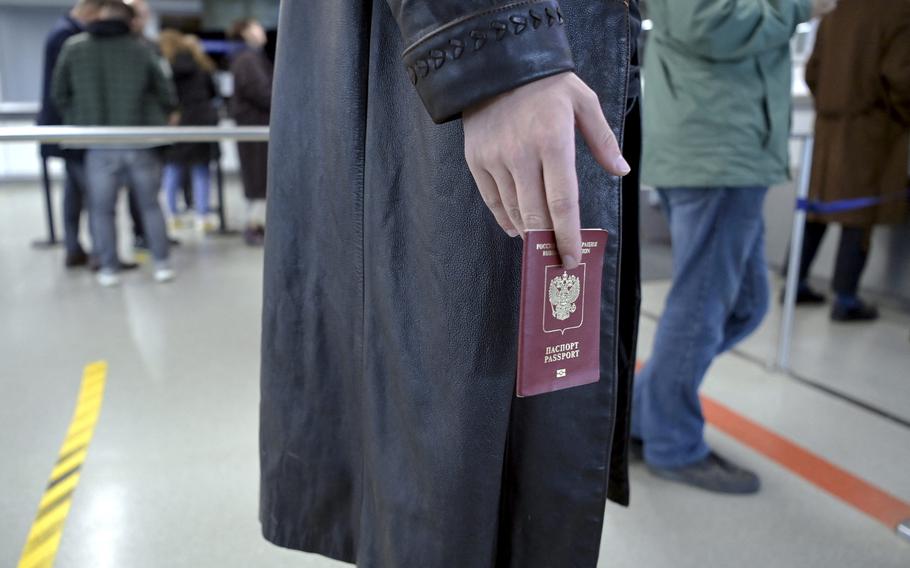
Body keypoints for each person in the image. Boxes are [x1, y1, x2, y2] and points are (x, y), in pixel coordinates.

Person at [259, 1, 640, 566]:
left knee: (477, 482)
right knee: (450, 490)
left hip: (497, 69)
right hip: (482, 80)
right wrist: (503, 57)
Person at [632, 0, 838, 495]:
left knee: (744, 303)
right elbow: (705, 22)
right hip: (715, 149)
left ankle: (645, 413)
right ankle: (671, 442)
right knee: (703, 307)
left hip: (734, 148)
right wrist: (799, 7)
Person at [795, 0, 910, 322]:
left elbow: (812, 70)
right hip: (871, 126)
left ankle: (796, 281)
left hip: (828, 126)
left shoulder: (837, 10)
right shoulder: (898, 10)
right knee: (859, 211)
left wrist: (831, 106)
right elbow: (900, 77)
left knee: (817, 206)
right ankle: (845, 298)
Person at [53, 0, 178, 287]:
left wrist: (80, 119)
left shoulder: (75, 47)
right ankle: (162, 264)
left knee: (101, 209)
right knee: (149, 205)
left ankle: (108, 268)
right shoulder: (141, 49)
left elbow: (59, 94)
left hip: (97, 142)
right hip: (139, 140)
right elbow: (165, 93)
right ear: (129, 20)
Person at [37, 0, 105, 269]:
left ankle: (74, 248)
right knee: (93, 193)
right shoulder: (69, 38)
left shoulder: (62, 32)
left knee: (74, 192)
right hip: (73, 128)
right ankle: (99, 252)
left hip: (68, 128)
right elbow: (66, 90)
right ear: (91, 11)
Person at [159, 30, 221, 234]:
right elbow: (213, 93)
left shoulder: (169, 68)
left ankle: (172, 215)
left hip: (180, 121)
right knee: (201, 170)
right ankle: (202, 217)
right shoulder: (203, 66)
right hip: (203, 121)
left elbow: (166, 96)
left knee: (173, 169)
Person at [228, 18, 271, 247]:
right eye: (257, 26)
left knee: (258, 178)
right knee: (259, 178)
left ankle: (256, 224)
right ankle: (255, 225)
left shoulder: (250, 57)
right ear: (245, 31)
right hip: (256, 127)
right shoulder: (248, 59)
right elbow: (262, 92)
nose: (261, 30)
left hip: (256, 125)